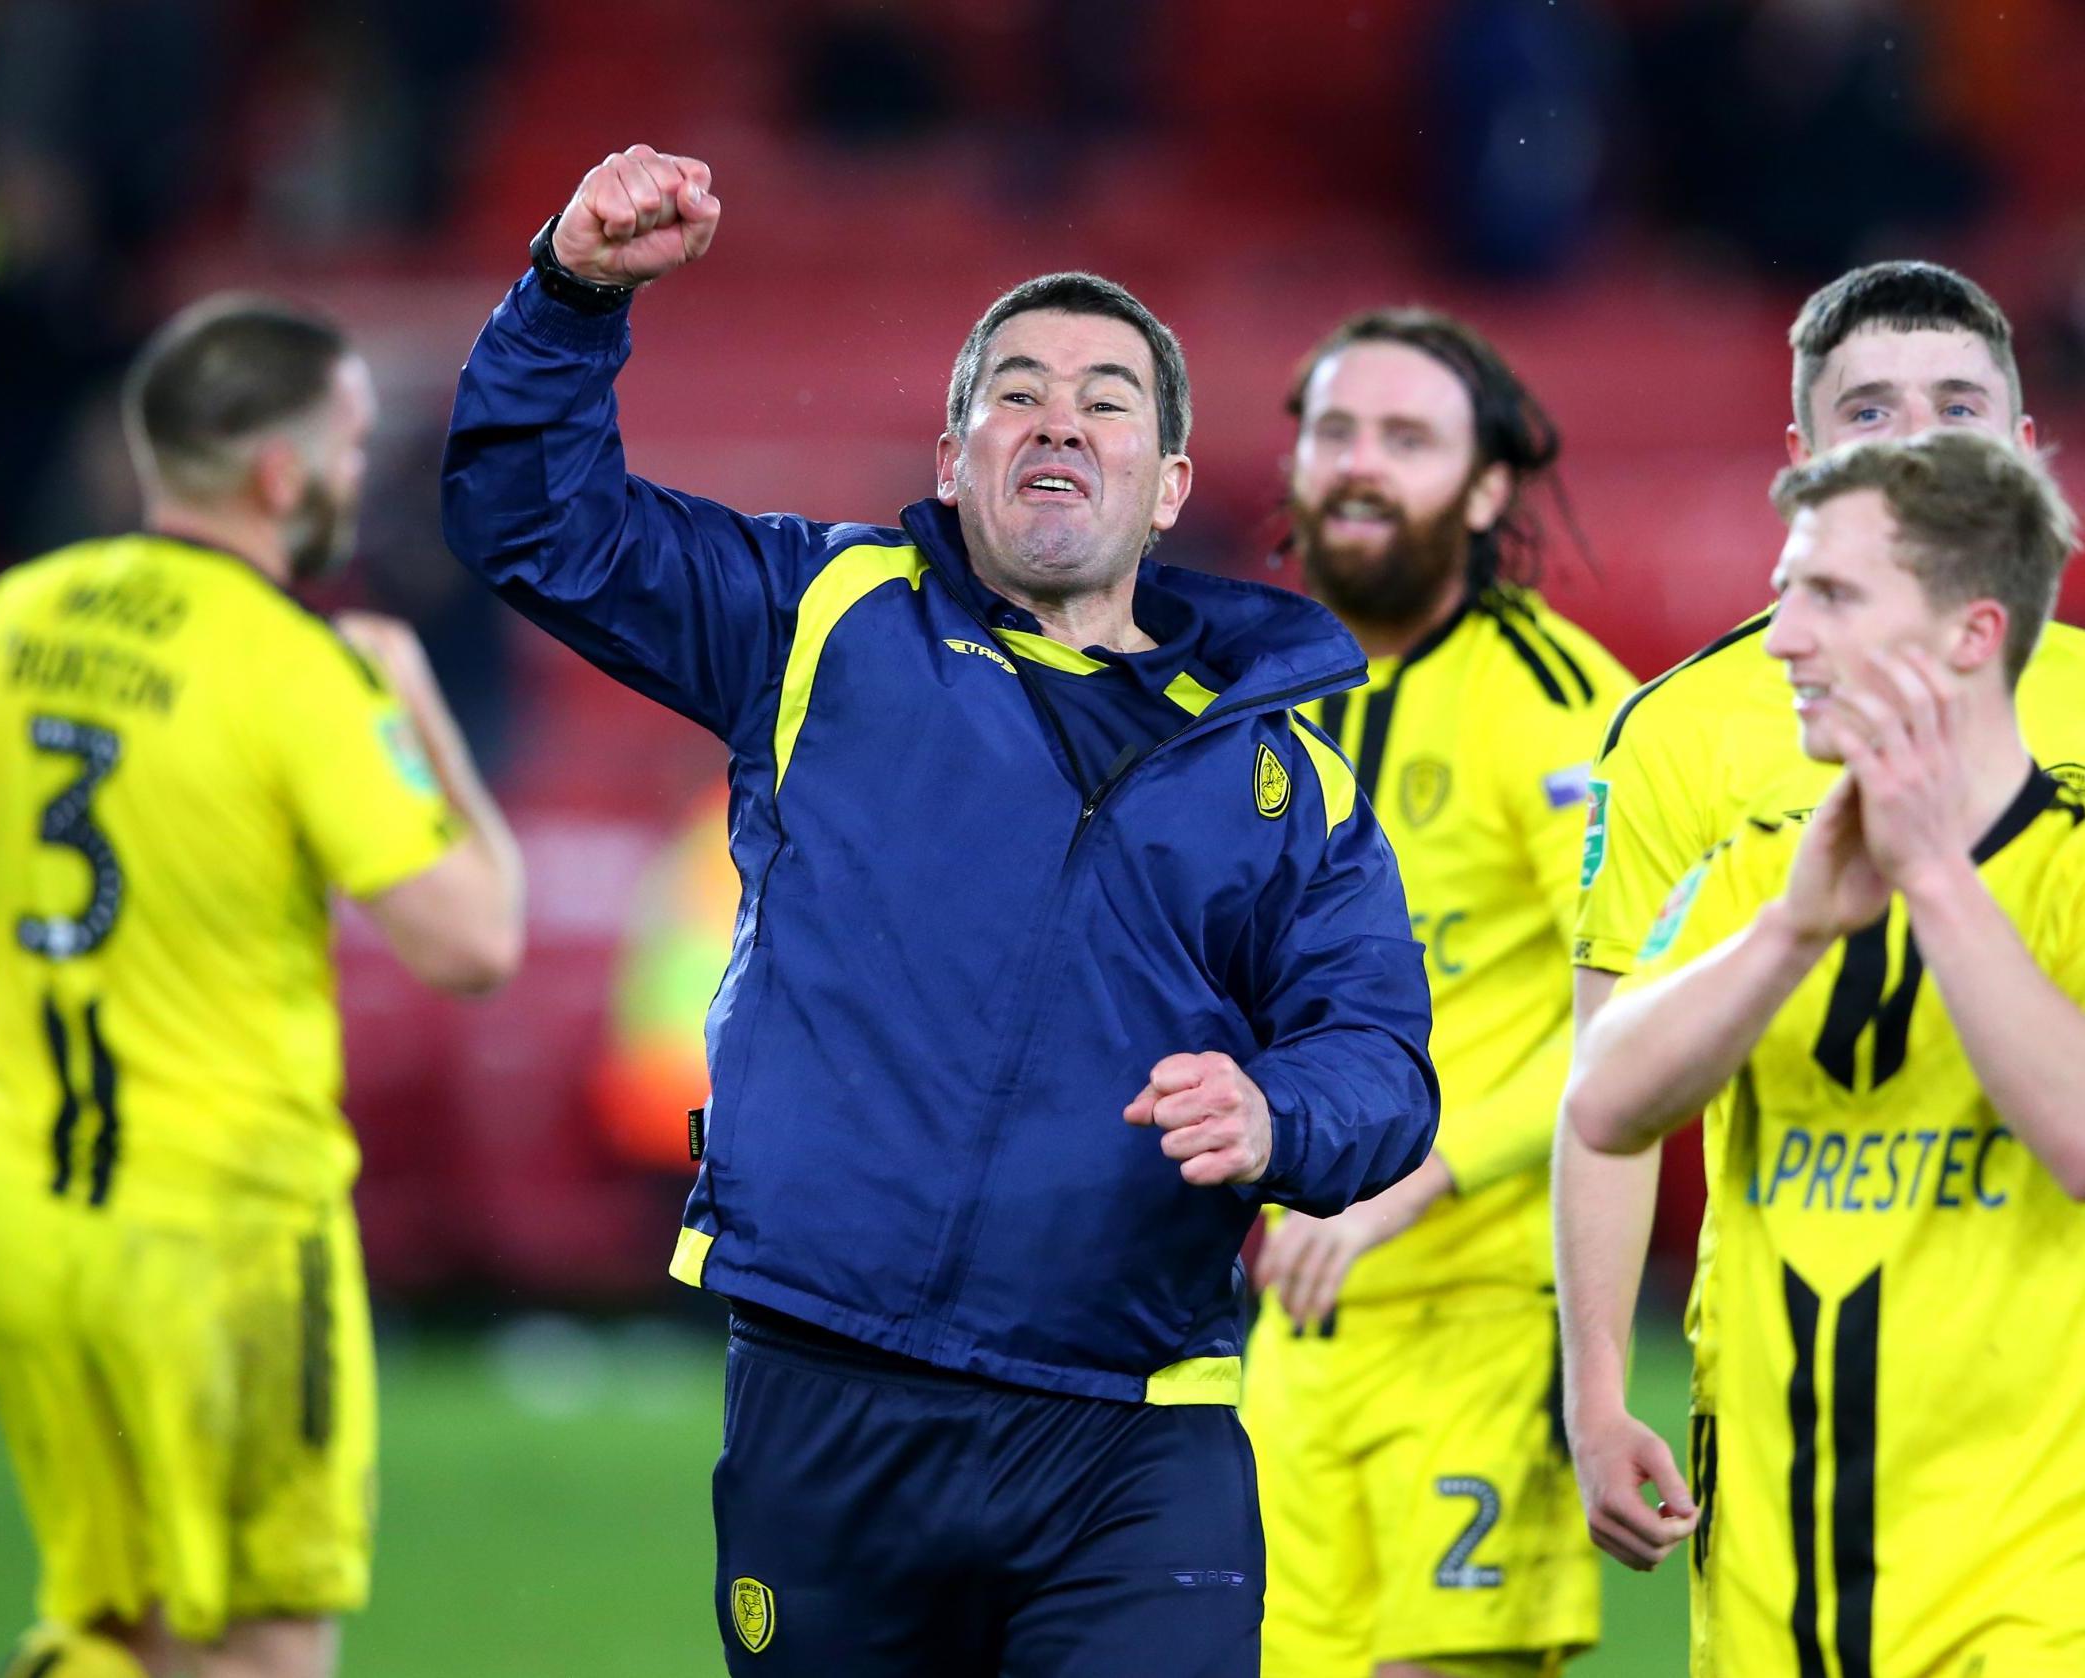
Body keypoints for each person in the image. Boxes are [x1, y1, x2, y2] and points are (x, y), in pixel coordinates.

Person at [439, 145, 1437, 1677]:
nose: (1057, 418)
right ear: (954, 451)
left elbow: (1379, 1059)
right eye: (1015, 391)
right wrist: (570, 294)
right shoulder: (814, 616)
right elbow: (529, 519)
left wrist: (1276, 1109)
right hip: (828, 1394)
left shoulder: (1288, 776)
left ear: (1168, 484)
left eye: (1108, 399)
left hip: (1129, 1426)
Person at [1553, 261, 2085, 1595]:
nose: (1915, 442)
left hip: (2064, 1430)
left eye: (1956, 407)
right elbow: (1604, 1087)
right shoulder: (1681, 731)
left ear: (2026, 452)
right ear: (1799, 463)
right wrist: (1596, 1382)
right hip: (1789, 1426)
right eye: (1869, 413)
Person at [0, 295, 525, 1678]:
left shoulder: (14, 616)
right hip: (224, 1237)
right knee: (263, 1646)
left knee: (114, 1621)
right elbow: (474, 941)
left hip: (32, 1218)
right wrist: (417, 717)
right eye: (348, 440)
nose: (356, 471)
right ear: (283, 473)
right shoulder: (300, 669)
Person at [1244, 308, 1629, 1678]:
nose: (1359, 464)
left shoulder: (1560, 707)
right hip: (1288, 1334)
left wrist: (1409, 1182)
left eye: (1406, 438)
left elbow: (1637, 1014)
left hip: (1481, 1318)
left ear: (1481, 489)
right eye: (1334, 431)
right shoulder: (1242, 698)